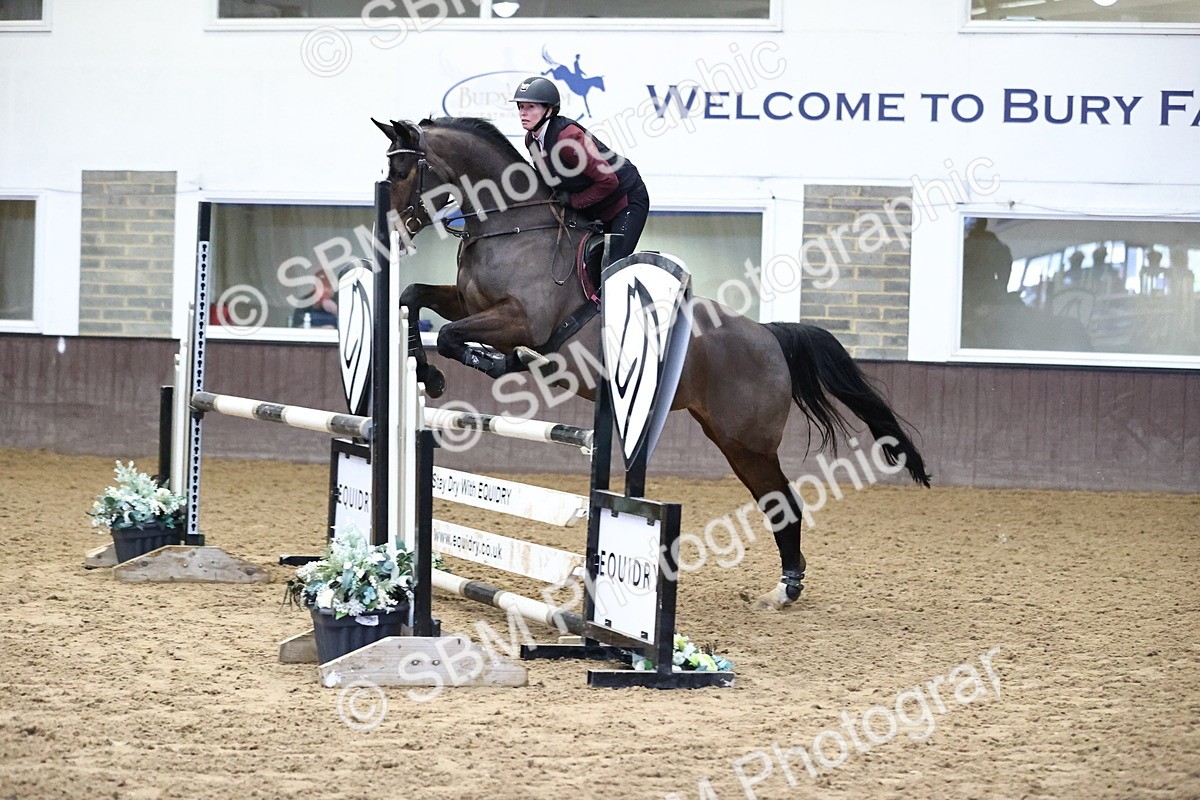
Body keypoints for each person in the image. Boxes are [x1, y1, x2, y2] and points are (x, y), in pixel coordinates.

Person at [512, 76, 649, 263]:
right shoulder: (531, 141)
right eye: (521, 107)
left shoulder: (568, 138)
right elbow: (549, 181)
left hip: (625, 200)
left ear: (549, 110)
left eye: (531, 107)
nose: (523, 113)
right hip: (595, 205)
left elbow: (608, 181)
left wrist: (574, 201)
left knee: (611, 263)